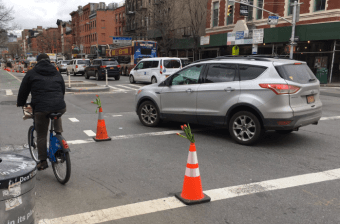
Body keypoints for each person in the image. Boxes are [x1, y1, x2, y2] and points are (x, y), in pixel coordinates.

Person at [17, 53, 66, 171]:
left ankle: (43, 161)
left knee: (41, 134)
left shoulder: (32, 73)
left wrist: (21, 103)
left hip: (41, 108)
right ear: (49, 61)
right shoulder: (56, 72)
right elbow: (62, 89)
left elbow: (23, 90)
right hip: (59, 106)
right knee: (57, 119)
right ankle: (59, 138)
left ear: (37, 62)